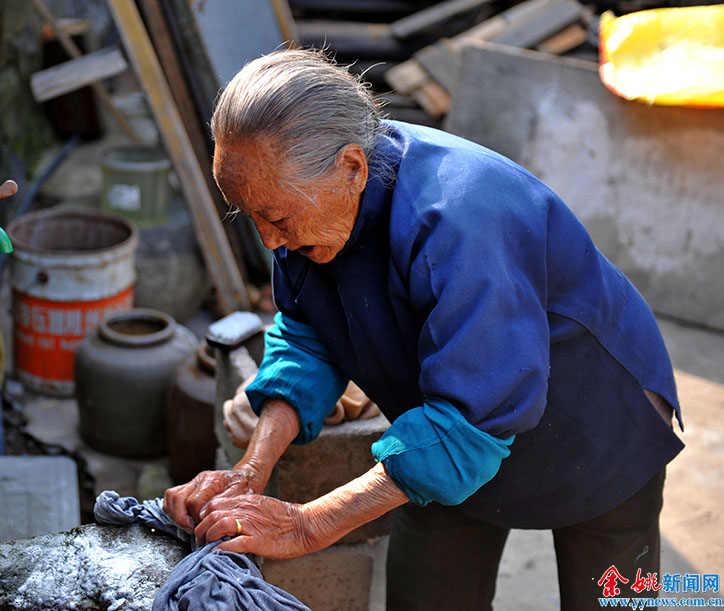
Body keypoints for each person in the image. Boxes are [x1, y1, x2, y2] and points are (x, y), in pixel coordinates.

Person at [163, 48, 684, 609]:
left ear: (353, 167)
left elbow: (469, 425)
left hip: (593, 419)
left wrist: (307, 525)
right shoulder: (308, 198)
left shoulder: (460, 219)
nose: (269, 241)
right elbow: (310, 337)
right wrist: (250, 470)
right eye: (252, 217)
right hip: (451, 426)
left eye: (278, 220)